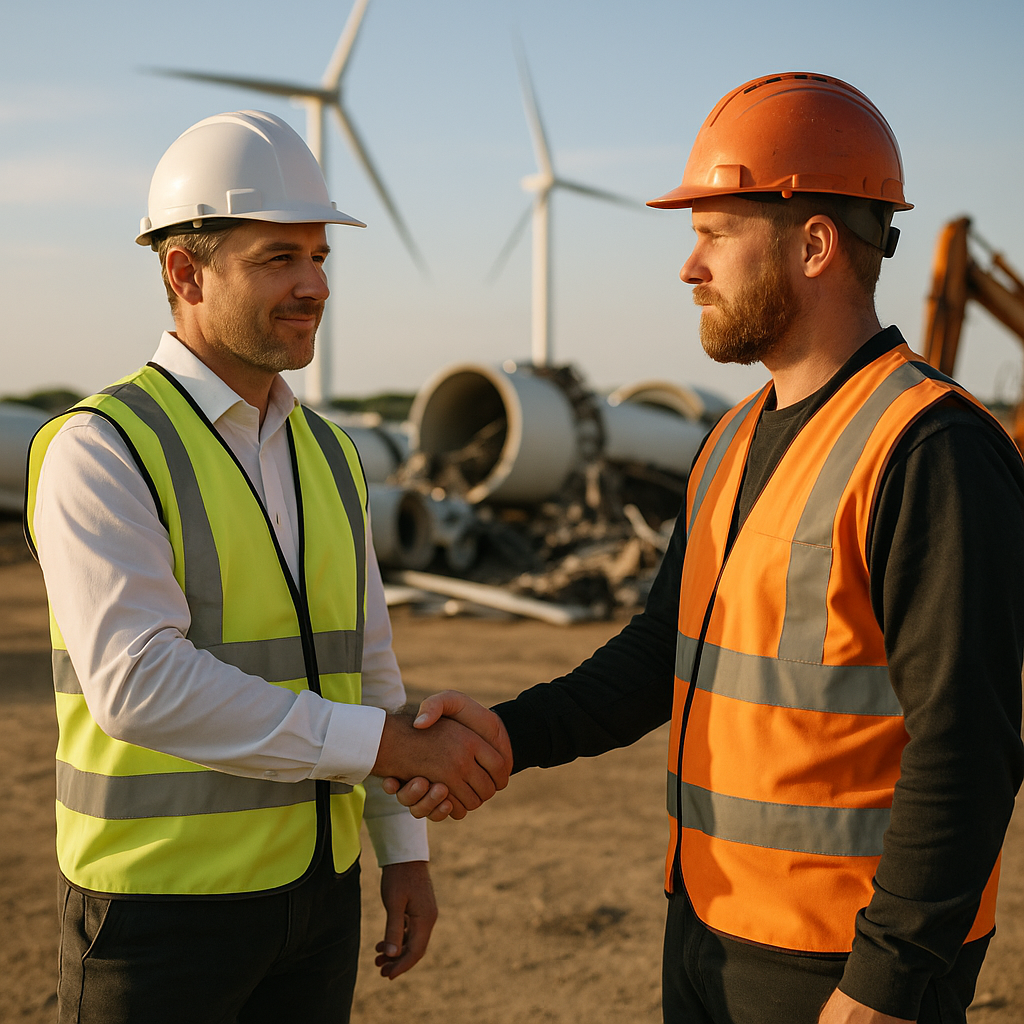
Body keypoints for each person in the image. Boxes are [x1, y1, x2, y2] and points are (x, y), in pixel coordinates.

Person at [384, 73, 1024, 1024]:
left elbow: (967, 746)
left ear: (813, 244)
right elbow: (660, 654)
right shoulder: (730, 438)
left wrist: (889, 981)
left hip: (843, 967)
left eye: (715, 233)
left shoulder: (931, 448)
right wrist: (511, 735)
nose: (690, 268)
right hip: (710, 931)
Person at [25, 109, 510, 1024]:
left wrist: (402, 848)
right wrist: (394, 748)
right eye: (279, 258)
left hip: (315, 902)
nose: (315, 284)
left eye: (321, 257)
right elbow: (138, 684)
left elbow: (368, 664)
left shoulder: (330, 453)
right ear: (185, 271)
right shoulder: (102, 449)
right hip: (157, 913)